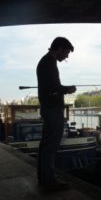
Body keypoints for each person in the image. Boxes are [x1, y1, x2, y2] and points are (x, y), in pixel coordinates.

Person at [36, 37, 76, 190]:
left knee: (45, 145)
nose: (66, 57)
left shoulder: (45, 61)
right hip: (53, 109)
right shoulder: (49, 63)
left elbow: (49, 86)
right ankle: (49, 180)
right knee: (51, 146)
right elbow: (54, 87)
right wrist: (68, 89)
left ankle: (45, 177)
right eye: (66, 53)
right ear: (59, 48)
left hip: (48, 108)